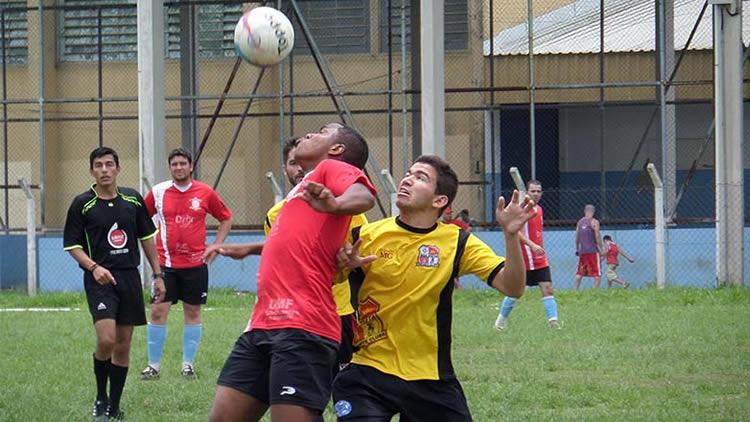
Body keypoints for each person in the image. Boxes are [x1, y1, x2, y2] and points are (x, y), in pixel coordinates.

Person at [332, 155, 534, 421]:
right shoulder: (365, 236)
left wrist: (510, 236)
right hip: (367, 373)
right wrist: (341, 266)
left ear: (440, 201)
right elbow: (326, 280)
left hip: (430, 378)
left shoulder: (458, 243)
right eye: (408, 173)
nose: (407, 179)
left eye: (420, 177)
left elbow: (513, 287)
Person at [208, 123, 376, 422]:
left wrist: (335, 204)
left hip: (303, 327)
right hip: (262, 324)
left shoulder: (330, 169)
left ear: (336, 150)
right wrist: (250, 248)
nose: (309, 134)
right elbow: (296, 240)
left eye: (322, 132)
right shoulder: (302, 189)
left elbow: (364, 195)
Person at [63, 147, 166, 421]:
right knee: (106, 339)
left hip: (129, 278)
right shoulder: (82, 203)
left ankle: (114, 406)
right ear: (92, 171)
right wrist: (93, 267)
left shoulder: (132, 200)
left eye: (109, 164)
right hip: (99, 279)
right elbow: (73, 245)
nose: (105, 169)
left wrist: (157, 275)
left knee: (123, 345)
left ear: (118, 169)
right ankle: (100, 397)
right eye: (99, 165)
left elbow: (147, 238)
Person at [139, 148, 233, 381]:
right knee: (158, 311)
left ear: (191, 166)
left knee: (193, 312)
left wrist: (217, 245)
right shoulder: (158, 192)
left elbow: (225, 217)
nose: (179, 167)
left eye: (183, 163)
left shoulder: (205, 192)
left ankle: (187, 365)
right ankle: (153, 366)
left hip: (195, 265)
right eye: (174, 164)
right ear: (170, 167)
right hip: (165, 266)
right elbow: (140, 220)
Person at [495, 180, 560, 330]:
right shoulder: (520, 210)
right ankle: (500, 321)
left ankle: (554, 323)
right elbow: (513, 232)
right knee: (514, 292)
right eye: (533, 191)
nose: (536, 194)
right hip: (522, 258)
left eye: (538, 191)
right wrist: (531, 245)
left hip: (539, 258)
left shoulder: (540, 210)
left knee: (547, 288)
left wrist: (538, 247)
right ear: (527, 193)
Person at [574, 204, 604, 289]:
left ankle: (575, 290)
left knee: (580, 273)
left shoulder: (580, 222)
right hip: (593, 251)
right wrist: (601, 249)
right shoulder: (594, 222)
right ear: (593, 212)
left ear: (584, 211)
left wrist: (577, 248)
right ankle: (595, 291)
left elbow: (577, 237)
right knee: (597, 273)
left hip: (583, 251)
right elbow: (597, 236)